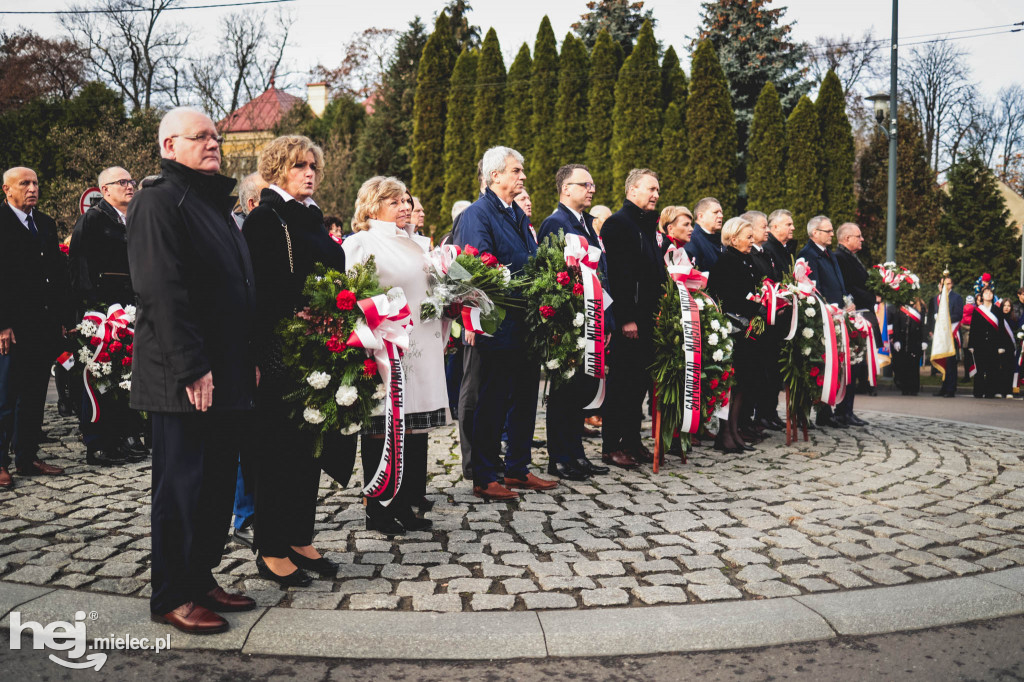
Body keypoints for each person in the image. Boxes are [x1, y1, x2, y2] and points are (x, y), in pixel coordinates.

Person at [128, 107, 257, 633]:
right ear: (168, 146)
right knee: (181, 488)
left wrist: (243, 360)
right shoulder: (159, 200)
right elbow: (161, 290)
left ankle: (200, 576)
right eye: (200, 137)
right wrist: (192, 367)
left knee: (215, 484)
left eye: (216, 137)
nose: (213, 144)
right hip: (183, 376)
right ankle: (171, 594)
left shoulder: (210, 202)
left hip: (223, 372)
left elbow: (233, 289)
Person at [242, 135, 344, 585]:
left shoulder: (311, 216)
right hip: (280, 349)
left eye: (313, 167)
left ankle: (300, 536)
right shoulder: (265, 218)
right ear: (278, 167)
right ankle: (270, 547)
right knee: (277, 449)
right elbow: (258, 292)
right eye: (300, 165)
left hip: (318, 347)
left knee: (309, 450)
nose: (309, 173)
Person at [344, 176, 448, 527]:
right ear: (373, 206)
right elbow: (352, 293)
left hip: (422, 345)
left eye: (407, 200)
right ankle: (379, 508)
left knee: (412, 427)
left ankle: (405, 504)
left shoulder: (416, 242)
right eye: (396, 202)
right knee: (381, 427)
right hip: (385, 350)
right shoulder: (360, 243)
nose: (406, 207)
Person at [454, 146, 556, 501]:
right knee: (492, 399)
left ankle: (517, 467)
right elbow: (474, 266)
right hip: (498, 322)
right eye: (516, 171)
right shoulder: (476, 214)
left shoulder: (515, 213)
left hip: (526, 322)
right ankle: (484, 474)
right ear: (495, 175)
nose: (522, 176)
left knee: (526, 398)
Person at [68, 166, 150, 467]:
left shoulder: (135, 219)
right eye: (122, 182)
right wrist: (92, 311)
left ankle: (125, 434)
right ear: (105, 190)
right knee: (99, 378)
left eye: (132, 180)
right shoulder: (93, 220)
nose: (130, 186)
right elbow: (81, 268)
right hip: (102, 313)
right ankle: (98, 441)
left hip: (130, 309)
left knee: (126, 378)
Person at [536, 163, 611, 481]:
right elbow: (548, 274)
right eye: (585, 184)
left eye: (592, 185)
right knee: (564, 391)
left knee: (580, 390)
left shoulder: (586, 225)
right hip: (568, 323)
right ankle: (559, 457)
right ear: (566, 188)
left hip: (591, 319)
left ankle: (576, 453)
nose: (591, 189)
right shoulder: (555, 223)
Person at [0, 166, 71, 490]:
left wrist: (62, 319)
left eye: (36, 183)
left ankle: (27, 456)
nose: (32, 189)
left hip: (42, 326)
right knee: (6, 397)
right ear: (7, 190)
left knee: (33, 396)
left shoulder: (44, 223)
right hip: (12, 329)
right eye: (24, 184)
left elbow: (56, 275)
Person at [601, 168, 666, 469]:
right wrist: (626, 318)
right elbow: (619, 276)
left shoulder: (647, 224)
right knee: (621, 384)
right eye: (650, 189)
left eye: (657, 190)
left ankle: (632, 440)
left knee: (639, 383)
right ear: (632, 191)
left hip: (649, 317)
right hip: (631, 319)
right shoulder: (618, 224)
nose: (655, 195)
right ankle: (611, 445)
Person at [708, 217, 762, 453]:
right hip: (733, 330)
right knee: (731, 383)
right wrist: (755, 306)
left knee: (743, 383)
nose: (752, 241)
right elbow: (726, 298)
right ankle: (725, 433)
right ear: (733, 239)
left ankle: (734, 430)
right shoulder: (727, 261)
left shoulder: (745, 260)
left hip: (746, 331)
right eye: (748, 237)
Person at [797, 216, 849, 428]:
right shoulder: (807, 254)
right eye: (827, 231)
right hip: (819, 319)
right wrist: (827, 307)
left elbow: (838, 281)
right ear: (814, 233)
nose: (831, 234)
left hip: (835, 316)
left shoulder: (829, 254)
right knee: (815, 365)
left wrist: (846, 301)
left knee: (832, 365)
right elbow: (813, 288)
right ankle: (805, 412)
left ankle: (825, 411)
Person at [832, 222, 871, 426]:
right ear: (847, 239)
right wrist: (870, 296)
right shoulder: (840, 258)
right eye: (858, 235)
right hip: (849, 314)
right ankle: (841, 410)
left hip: (858, 315)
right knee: (848, 365)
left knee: (856, 365)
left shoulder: (851, 257)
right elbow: (847, 287)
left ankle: (848, 410)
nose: (861, 239)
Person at [927, 275, 964, 397]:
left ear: (951, 285)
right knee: (943, 361)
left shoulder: (956, 298)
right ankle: (943, 388)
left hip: (950, 333)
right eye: (943, 284)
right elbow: (931, 316)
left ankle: (950, 389)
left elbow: (958, 315)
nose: (945, 287)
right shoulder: (936, 299)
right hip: (940, 335)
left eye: (947, 284)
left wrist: (944, 319)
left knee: (951, 363)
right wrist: (932, 329)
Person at [968, 286, 1003, 399]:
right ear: (982, 296)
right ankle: (978, 391)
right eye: (986, 293)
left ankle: (990, 392)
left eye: (990, 293)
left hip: (993, 344)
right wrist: (971, 344)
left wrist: (1000, 346)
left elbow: (1001, 328)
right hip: (979, 344)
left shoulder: (997, 310)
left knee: (992, 369)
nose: (988, 294)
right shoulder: (978, 311)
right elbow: (973, 328)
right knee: (980, 369)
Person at [891, 299, 926, 395]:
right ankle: (905, 388)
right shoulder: (901, 307)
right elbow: (896, 325)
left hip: (915, 341)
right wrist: (896, 340)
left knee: (914, 366)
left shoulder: (921, 308)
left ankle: (914, 388)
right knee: (904, 365)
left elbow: (923, 325)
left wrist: (924, 340)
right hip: (903, 341)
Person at [684, 197, 724, 270]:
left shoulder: (722, 240)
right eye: (715, 212)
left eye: (721, 212)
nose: (721, 216)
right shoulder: (691, 240)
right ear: (701, 216)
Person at [763, 209, 796, 276]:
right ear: (776, 227)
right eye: (789, 225)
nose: (793, 228)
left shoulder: (789, 248)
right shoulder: (766, 250)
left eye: (792, 224)